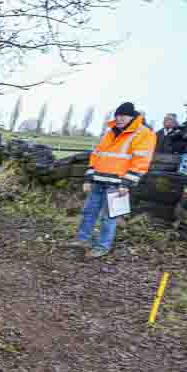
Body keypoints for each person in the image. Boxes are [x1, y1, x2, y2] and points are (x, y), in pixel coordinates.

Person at [69, 102, 156, 258]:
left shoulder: (144, 133)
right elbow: (96, 155)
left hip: (117, 184)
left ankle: (102, 246)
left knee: (109, 218)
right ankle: (83, 240)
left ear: (132, 116)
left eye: (123, 115)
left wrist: (127, 183)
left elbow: (141, 161)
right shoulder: (109, 132)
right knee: (89, 212)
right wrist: (88, 178)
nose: (119, 118)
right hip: (98, 181)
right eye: (117, 115)